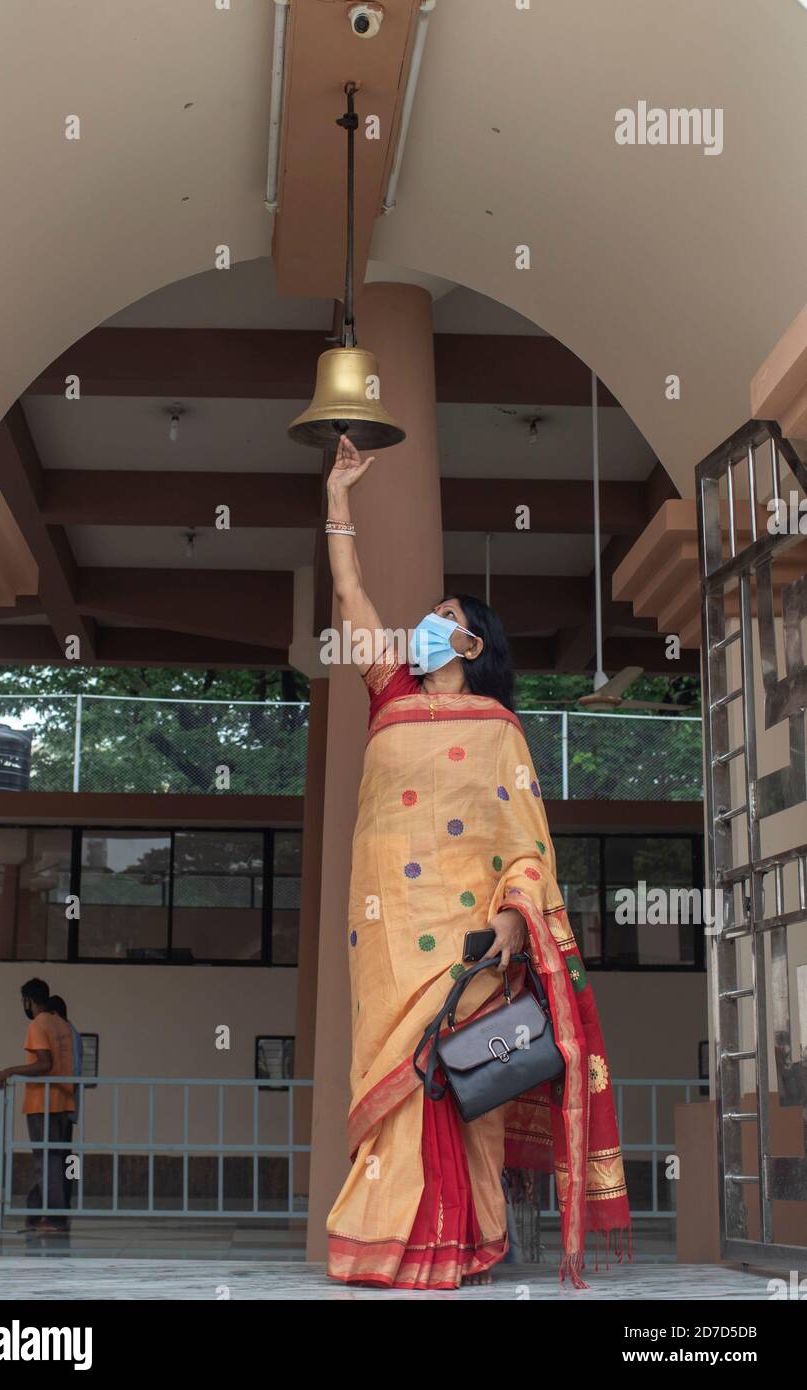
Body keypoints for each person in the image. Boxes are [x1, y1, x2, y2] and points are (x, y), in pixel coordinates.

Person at [323, 435, 631, 1289]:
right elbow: (349, 594)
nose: (426, 622)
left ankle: (469, 1242)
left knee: (463, 1084)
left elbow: (527, 845)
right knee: (402, 1084)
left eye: (443, 614)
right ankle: (392, 1242)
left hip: (469, 942)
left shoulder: (500, 729)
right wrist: (339, 498)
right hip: (387, 943)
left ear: (470, 642)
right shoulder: (389, 691)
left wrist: (508, 917)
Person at [0, 978, 74, 1235]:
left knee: (46, 1161)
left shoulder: (38, 1024)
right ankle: (36, 1212)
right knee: (56, 1160)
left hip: (43, 1103)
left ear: (28, 1000)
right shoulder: (62, 1024)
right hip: (63, 1101)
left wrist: (8, 1071)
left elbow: (44, 1063)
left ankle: (54, 1218)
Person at [48, 995, 82, 1214]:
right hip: (67, 1106)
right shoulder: (73, 1032)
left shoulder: (66, 1033)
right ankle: (64, 1202)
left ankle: (61, 1206)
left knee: (60, 1157)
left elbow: (74, 1070)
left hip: (62, 1106)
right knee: (65, 1154)